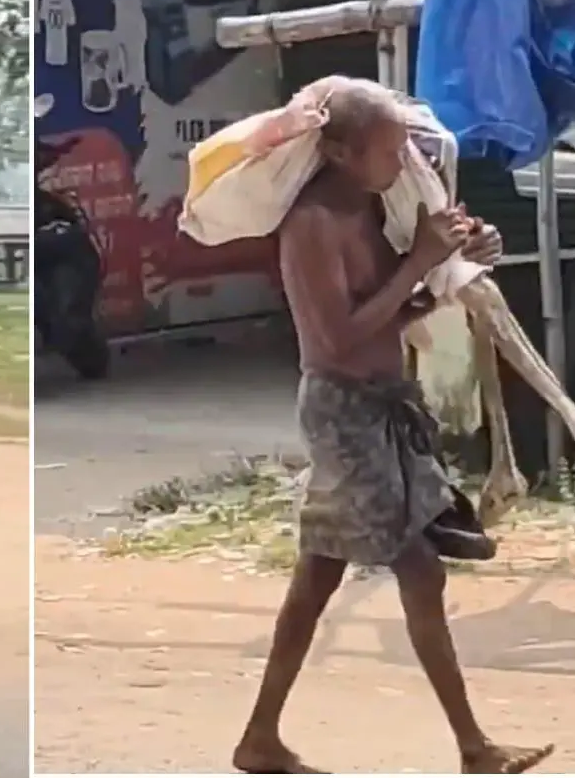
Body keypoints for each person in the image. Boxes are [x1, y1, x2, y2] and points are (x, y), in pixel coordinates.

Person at [231, 82, 555, 774]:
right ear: (340, 153)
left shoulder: (378, 208)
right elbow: (339, 338)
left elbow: (398, 309)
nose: (401, 161)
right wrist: (419, 262)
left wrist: (461, 259)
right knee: (419, 568)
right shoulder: (312, 223)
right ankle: (475, 748)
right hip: (343, 411)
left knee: (318, 576)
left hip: (385, 403)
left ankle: (259, 738)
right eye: (387, 150)